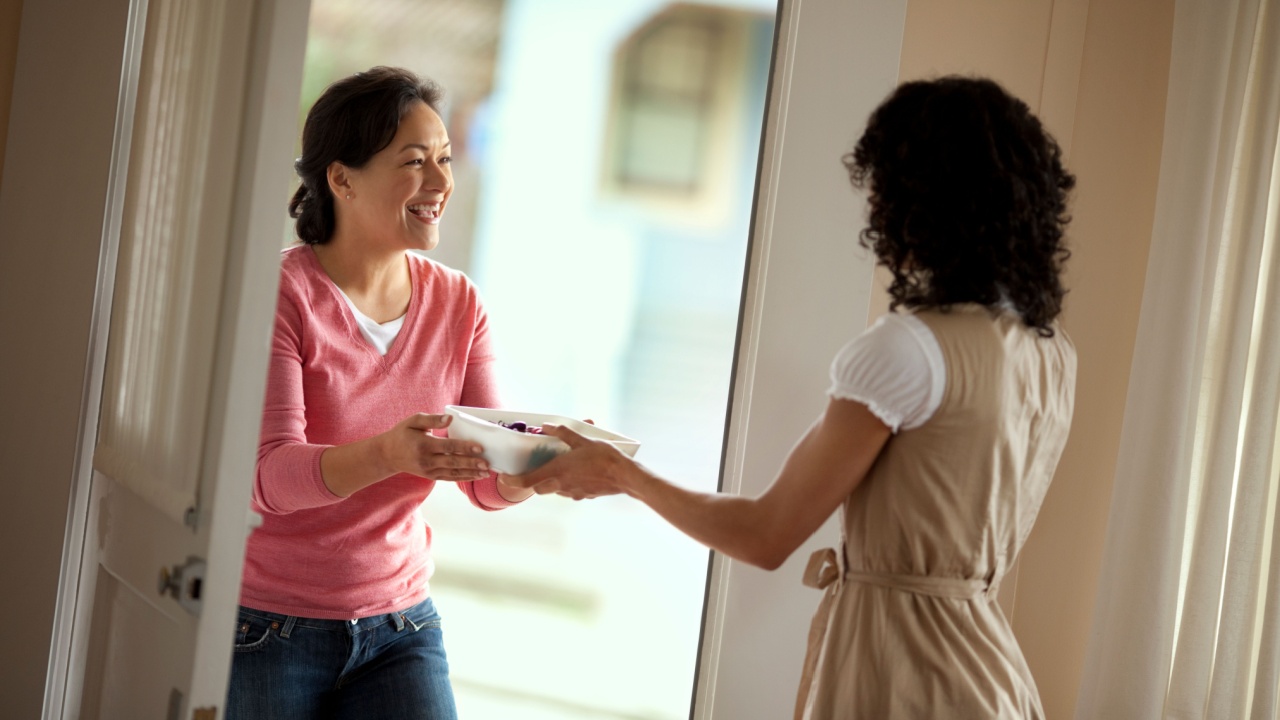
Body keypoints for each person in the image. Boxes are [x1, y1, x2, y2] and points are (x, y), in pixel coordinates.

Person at [502, 75, 1078, 720]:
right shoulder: (1051, 355)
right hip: (991, 676)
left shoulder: (907, 349)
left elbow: (766, 534)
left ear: (918, 200)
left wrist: (618, 472)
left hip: (902, 673)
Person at [227, 66, 533, 720]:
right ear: (341, 179)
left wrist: (543, 463)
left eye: (445, 160)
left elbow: (486, 483)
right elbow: (268, 477)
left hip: (401, 627)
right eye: (415, 162)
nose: (442, 183)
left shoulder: (458, 302)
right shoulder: (283, 293)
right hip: (268, 627)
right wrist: (390, 454)